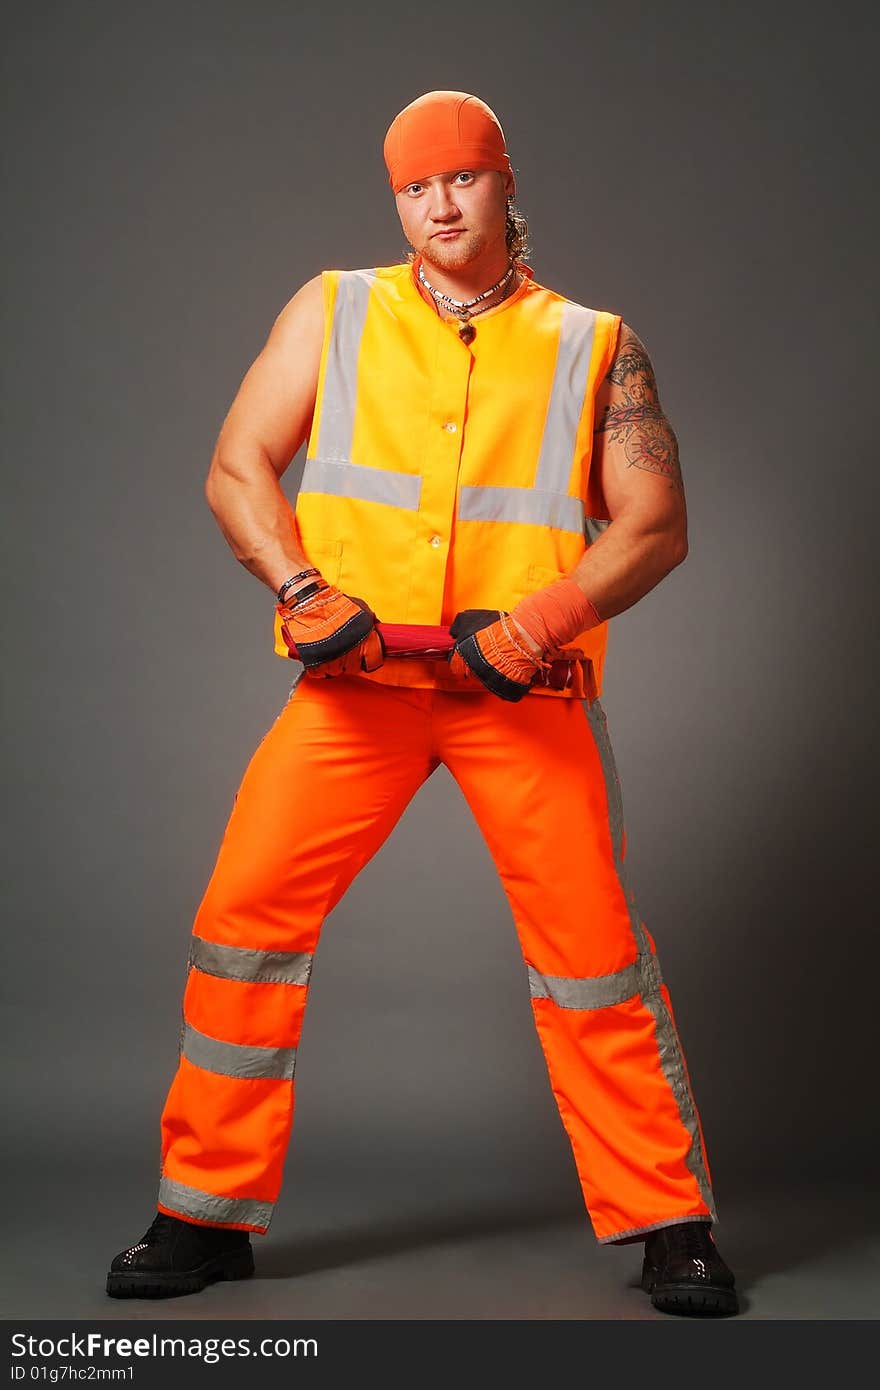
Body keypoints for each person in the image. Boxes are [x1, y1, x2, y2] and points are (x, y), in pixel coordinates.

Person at [106, 90, 738, 1317]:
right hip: (356, 689)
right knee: (243, 922)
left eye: (461, 179)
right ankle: (202, 1213)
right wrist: (299, 586)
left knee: (595, 955)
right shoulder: (333, 309)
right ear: (394, 199)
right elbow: (237, 464)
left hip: (525, 690)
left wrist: (539, 622)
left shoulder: (594, 341)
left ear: (505, 184)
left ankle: (673, 1220)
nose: (438, 205)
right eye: (413, 186)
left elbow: (654, 525)